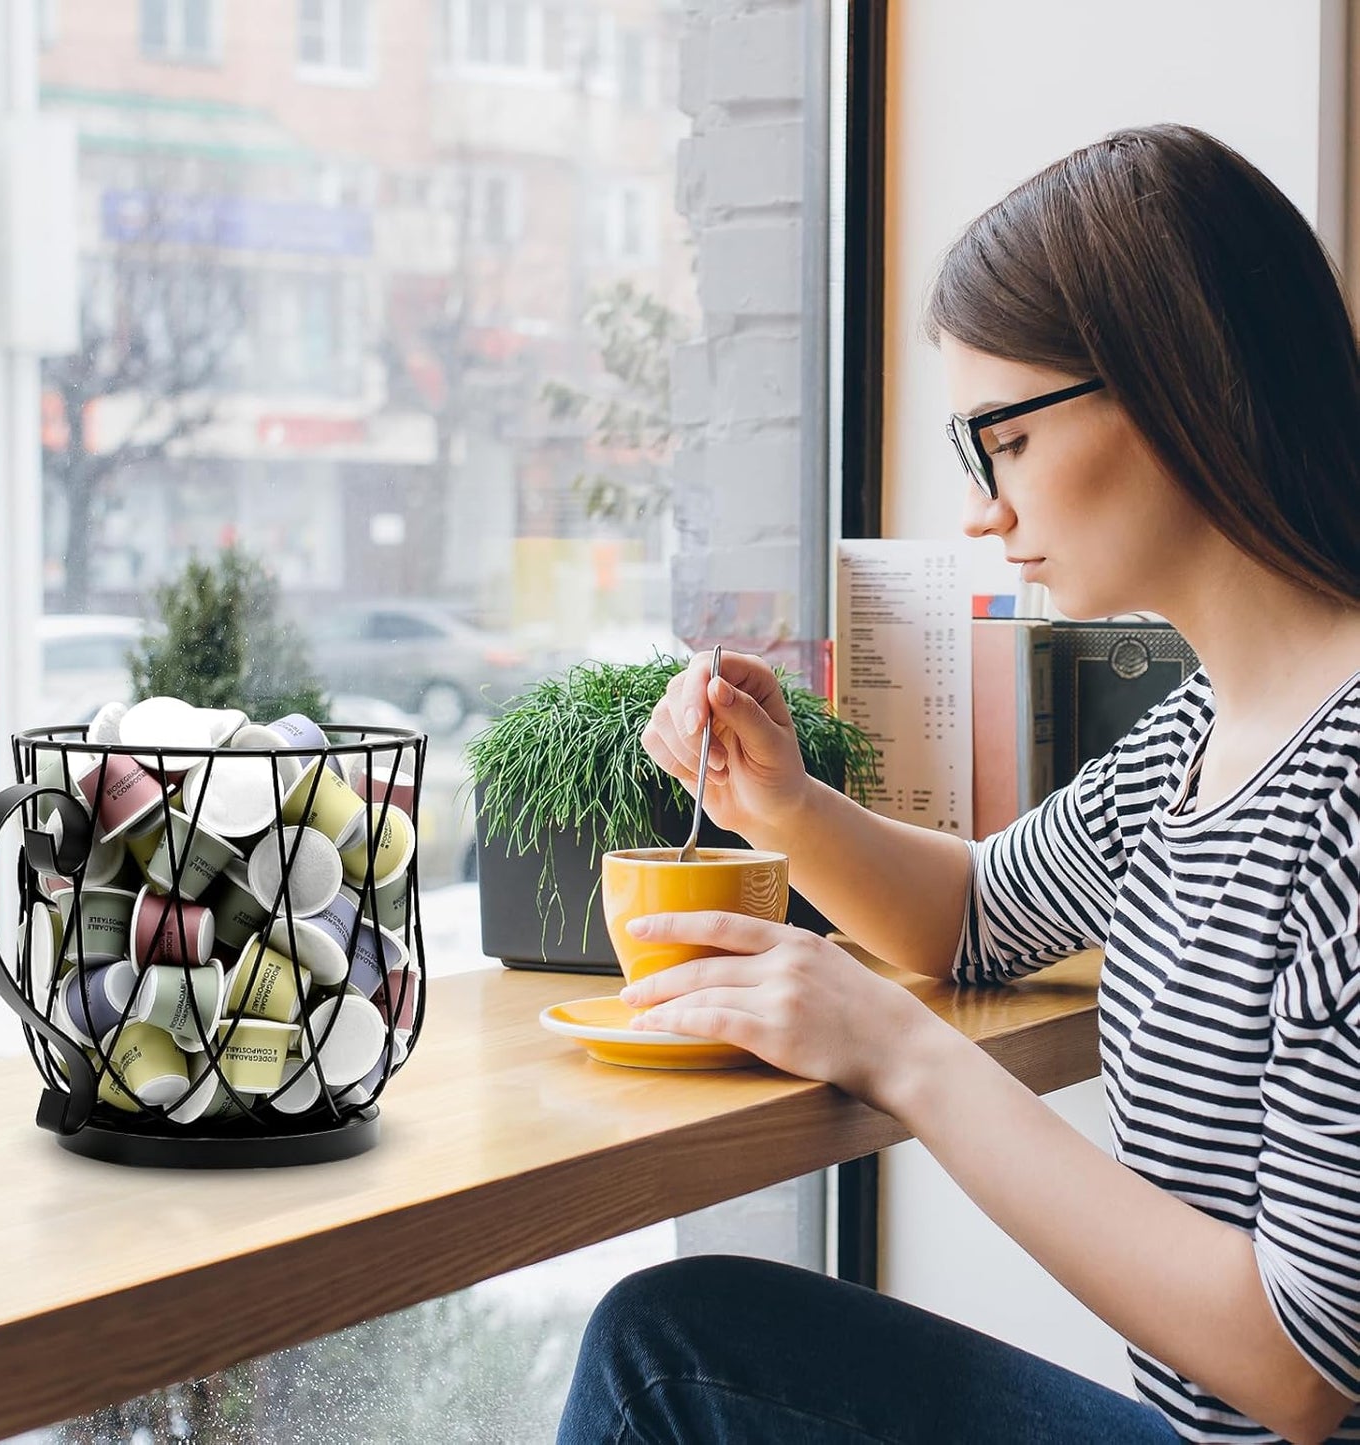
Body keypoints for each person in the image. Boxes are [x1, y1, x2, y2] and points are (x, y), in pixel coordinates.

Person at [555, 123, 1360, 1445]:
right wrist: (784, 804)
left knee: (669, 1365)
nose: (983, 507)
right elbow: (977, 912)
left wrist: (899, 1051)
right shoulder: (1198, 732)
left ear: (1179, 385)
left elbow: (1295, 1365)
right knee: (671, 1338)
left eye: (1006, 438)